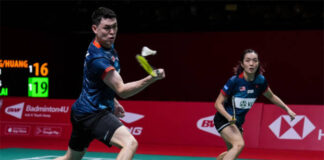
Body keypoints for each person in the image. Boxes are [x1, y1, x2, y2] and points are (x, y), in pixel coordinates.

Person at [55, 7, 165, 160]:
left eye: (114, 27)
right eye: (107, 28)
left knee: (70, 158)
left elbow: (99, 83)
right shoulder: (98, 58)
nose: (112, 32)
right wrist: (152, 77)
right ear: (94, 28)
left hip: (81, 112)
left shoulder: (105, 45)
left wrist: (113, 102)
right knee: (130, 143)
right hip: (93, 113)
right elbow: (122, 89)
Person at [213, 49, 296, 160]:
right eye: (247, 61)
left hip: (237, 122)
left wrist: (287, 109)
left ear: (258, 63)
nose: (251, 63)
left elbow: (271, 96)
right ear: (242, 64)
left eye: (254, 60)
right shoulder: (234, 81)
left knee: (232, 151)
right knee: (239, 145)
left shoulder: (260, 81)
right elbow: (218, 104)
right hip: (224, 118)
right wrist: (229, 117)